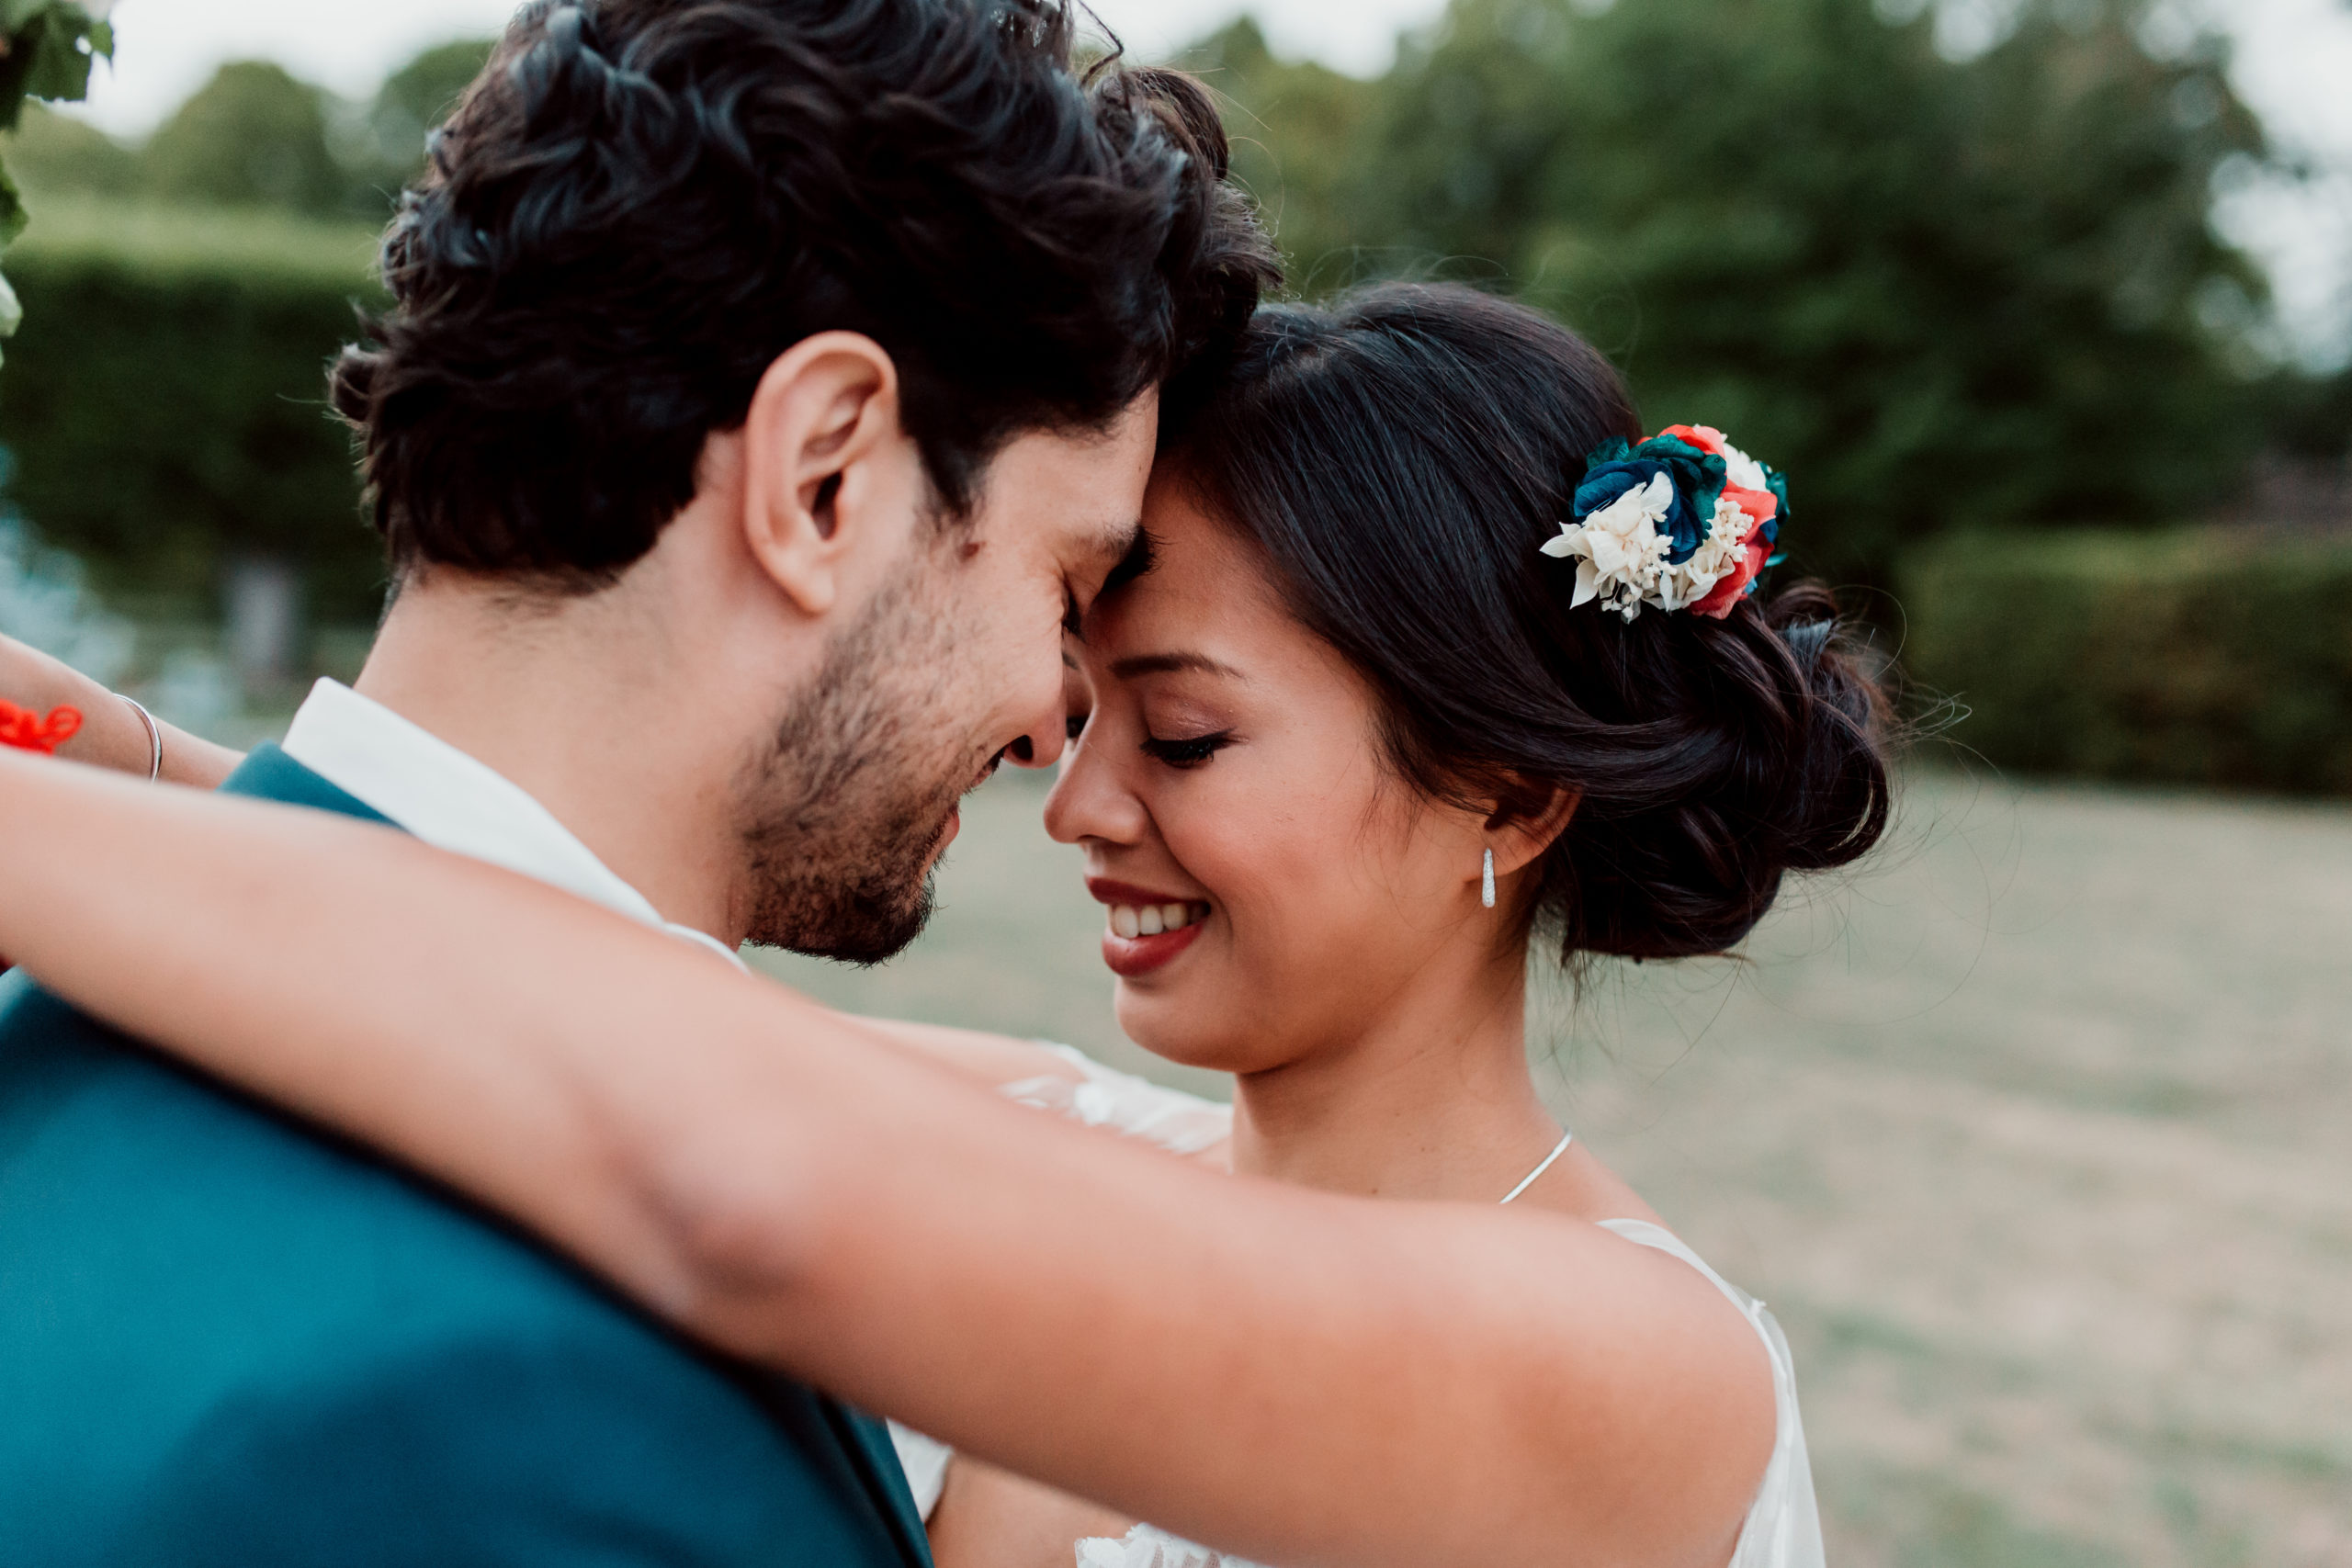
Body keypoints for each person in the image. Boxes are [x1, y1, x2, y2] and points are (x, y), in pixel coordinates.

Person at [0, 278, 1889, 1565]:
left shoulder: (1636, 1369)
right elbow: (511, 952)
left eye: (1188, 733)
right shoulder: (1066, 1138)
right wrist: (109, 744)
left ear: (1513, 784)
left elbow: (733, 1164)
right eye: (1075, 709)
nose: (1068, 802)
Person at [0, 0, 1276, 1562]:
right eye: (1063, 588)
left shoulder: (50, 1046)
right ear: (821, 474)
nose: (1043, 727)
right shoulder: (534, 1408)